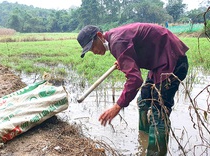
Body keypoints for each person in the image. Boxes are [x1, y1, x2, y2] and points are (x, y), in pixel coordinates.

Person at [77, 23, 189, 156]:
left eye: (93, 47)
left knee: (158, 113)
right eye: (90, 50)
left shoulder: (117, 42)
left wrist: (118, 106)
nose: (94, 52)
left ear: (100, 36)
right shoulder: (115, 39)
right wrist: (124, 59)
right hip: (158, 63)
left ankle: (155, 153)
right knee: (143, 100)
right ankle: (145, 139)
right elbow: (134, 48)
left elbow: (135, 80)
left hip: (172, 62)